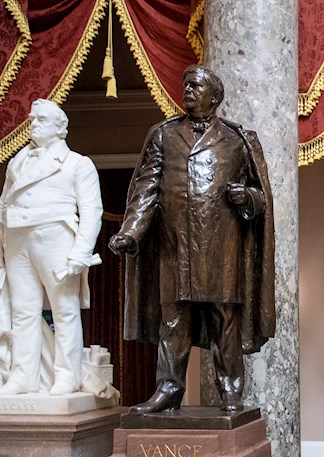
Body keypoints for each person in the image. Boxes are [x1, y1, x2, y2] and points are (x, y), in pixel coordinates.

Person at [108, 65, 275, 414]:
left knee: (224, 321)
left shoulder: (238, 140)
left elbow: (262, 198)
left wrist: (248, 199)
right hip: (175, 246)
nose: (188, 91)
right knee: (173, 321)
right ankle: (169, 389)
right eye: (185, 85)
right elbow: (146, 189)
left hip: (221, 248)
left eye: (196, 86)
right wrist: (131, 231)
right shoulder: (163, 135)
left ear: (215, 97)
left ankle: (231, 391)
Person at [0, 99, 102, 396]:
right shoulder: (17, 163)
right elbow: (3, 205)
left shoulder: (77, 163)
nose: (33, 124)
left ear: (60, 129)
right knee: (23, 312)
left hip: (56, 238)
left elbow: (92, 211)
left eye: (40, 120)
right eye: (32, 119)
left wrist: (80, 252)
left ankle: (67, 375)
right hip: (17, 239)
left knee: (64, 310)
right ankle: (23, 376)